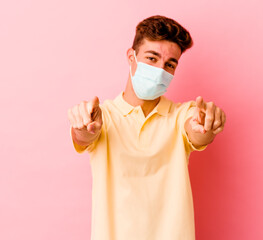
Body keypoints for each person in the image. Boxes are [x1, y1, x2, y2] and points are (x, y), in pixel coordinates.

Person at [67, 15, 226, 240]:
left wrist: (207, 124)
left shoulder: (181, 115)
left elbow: (198, 131)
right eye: (152, 58)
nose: (161, 70)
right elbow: (83, 135)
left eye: (170, 64)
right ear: (131, 57)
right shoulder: (104, 117)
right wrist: (83, 126)